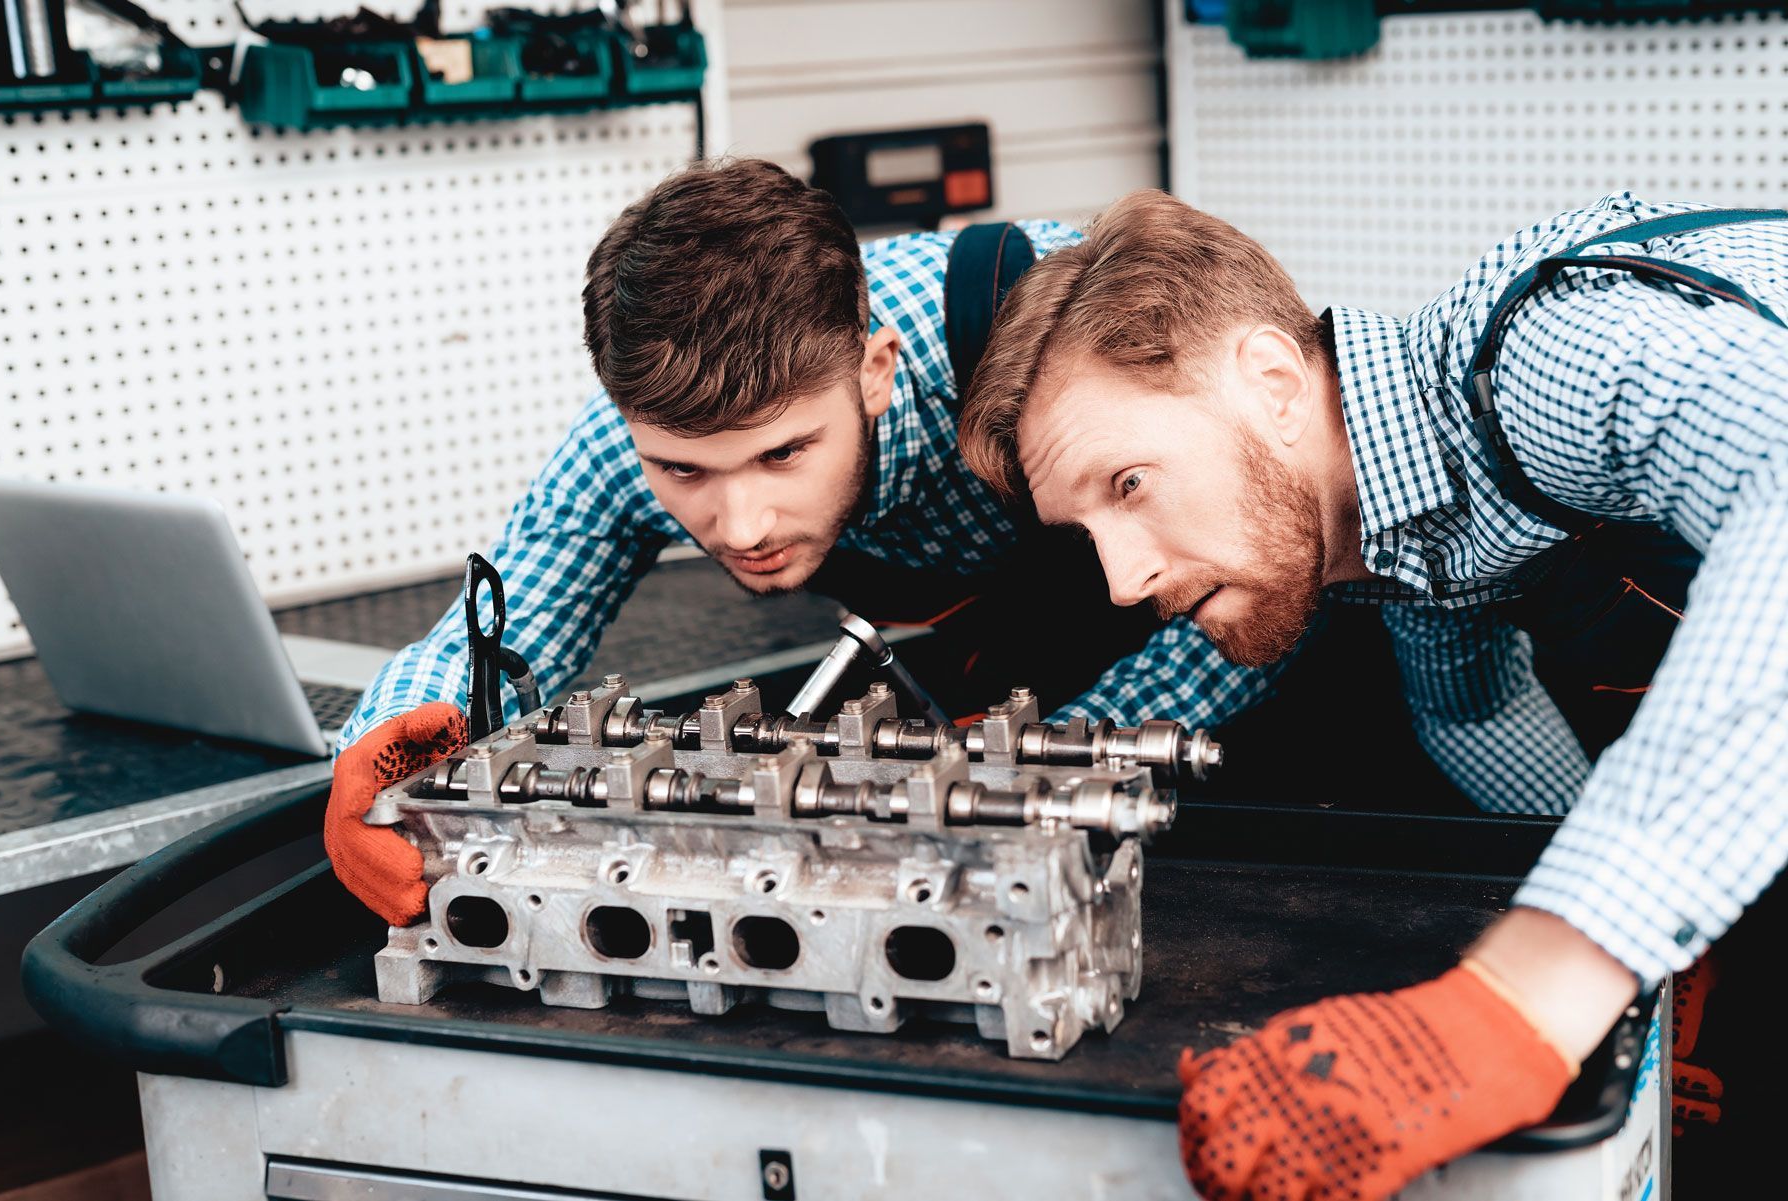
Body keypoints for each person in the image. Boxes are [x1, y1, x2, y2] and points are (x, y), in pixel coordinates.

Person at [958, 188, 1787, 1197]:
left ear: (1269, 379)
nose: (1123, 580)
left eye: (1128, 484)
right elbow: (1473, 712)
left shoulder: (1545, 353)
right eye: (1088, 533)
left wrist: (1521, 999)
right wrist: (1655, 955)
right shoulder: (1403, 549)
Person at [324, 158, 1320, 929]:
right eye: (684, 475)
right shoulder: (638, 431)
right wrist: (398, 749)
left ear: (876, 371)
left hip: (1238, 754)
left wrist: (1038, 775)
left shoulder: (1052, 345)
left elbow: (1258, 549)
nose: (741, 526)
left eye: (785, 453)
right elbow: (513, 616)